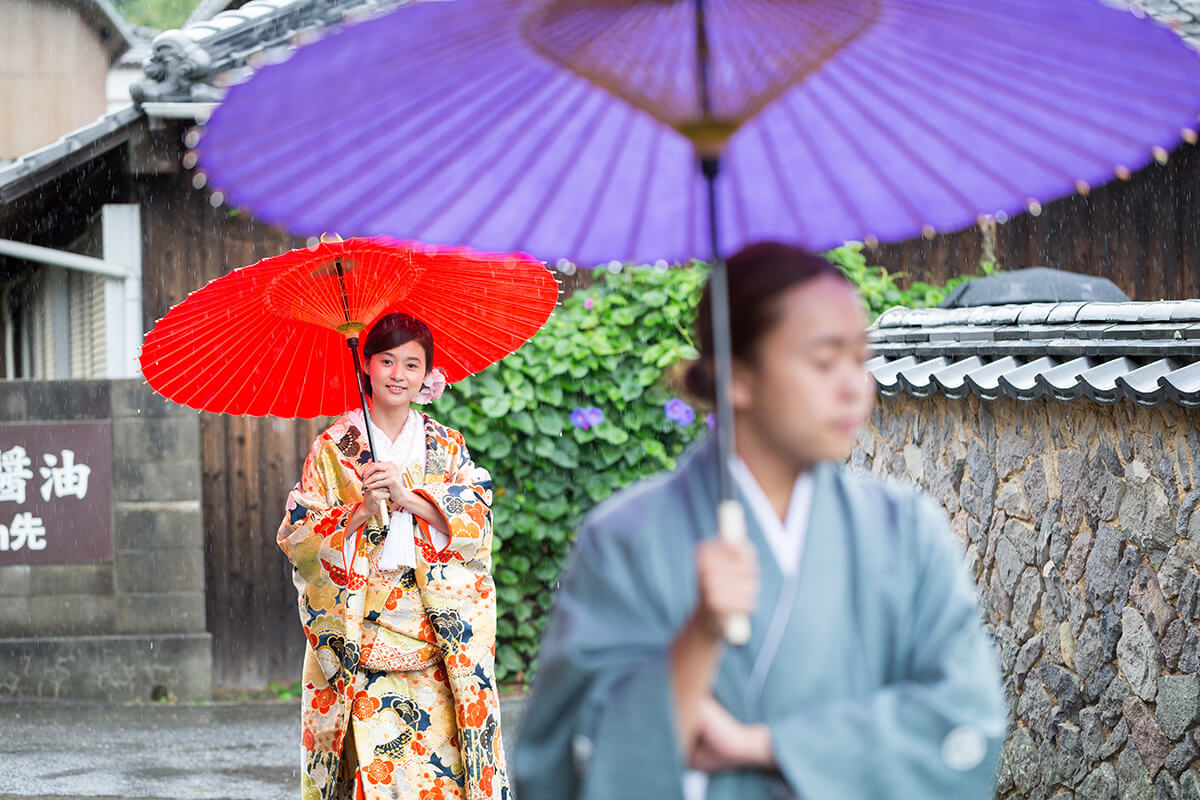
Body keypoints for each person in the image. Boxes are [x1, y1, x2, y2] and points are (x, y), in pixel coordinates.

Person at [513, 243, 1006, 800]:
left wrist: (765, 746)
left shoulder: (905, 530)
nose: (855, 386)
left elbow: (963, 720)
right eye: (824, 361)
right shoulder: (624, 539)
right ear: (737, 377)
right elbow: (561, 759)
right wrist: (698, 637)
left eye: (859, 358)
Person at [277, 312, 508, 800]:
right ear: (366, 365)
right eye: (387, 361)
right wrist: (358, 512)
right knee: (375, 781)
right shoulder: (333, 450)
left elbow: (476, 515)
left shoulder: (446, 445)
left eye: (412, 363)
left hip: (436, 638)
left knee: (440, 778)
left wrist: (408, 497)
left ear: (428, 374)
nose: (398, 374)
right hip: (362, 638)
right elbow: (297, 536)